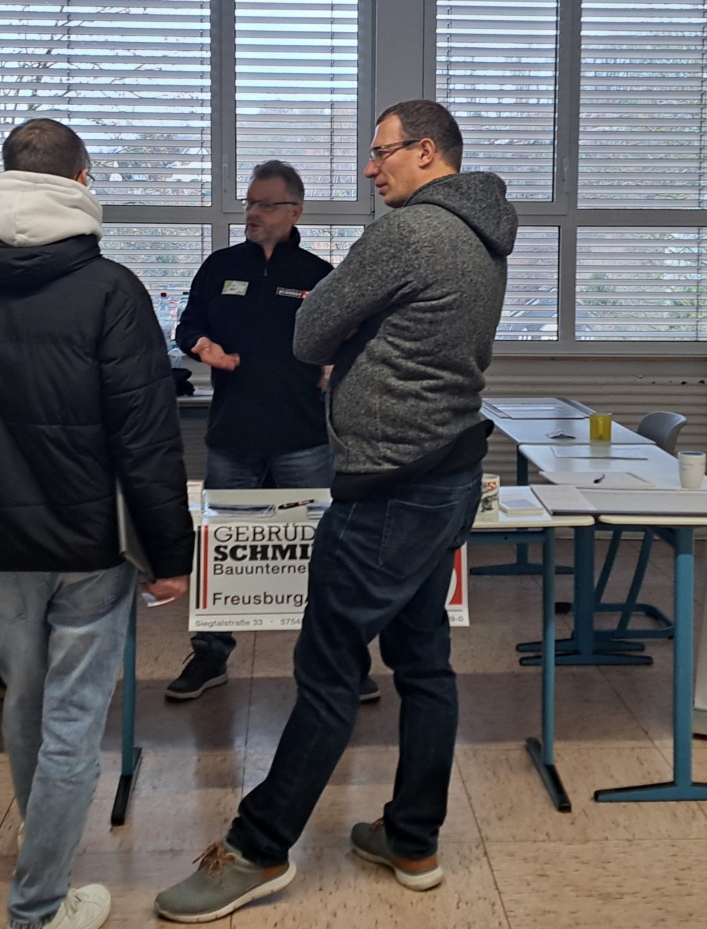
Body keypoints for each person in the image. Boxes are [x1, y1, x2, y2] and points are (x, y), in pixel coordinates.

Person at [154, 99, 517, 920]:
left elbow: (308, 331)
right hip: (446, 470)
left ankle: (257, 846)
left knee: (326, 670)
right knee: (423, 663)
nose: (369, 166)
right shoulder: (484, 234)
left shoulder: (411, 232)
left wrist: (350, 340)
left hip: (390, 487)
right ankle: (413, 836)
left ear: (426, 152)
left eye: (382, 151)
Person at [0, 117, 195, 929]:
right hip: (91, 545)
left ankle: (44, 858)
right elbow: (147, 436)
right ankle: (39, 903)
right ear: (81, 182)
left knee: (24, 702)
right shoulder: (112, 290)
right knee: (70, 718)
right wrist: (172, 553)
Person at [169, 160, 378, 706]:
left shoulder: (318, 273)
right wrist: (202, 348)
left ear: (295, 211)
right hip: (232, 437)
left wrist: (337, 362)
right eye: (249, 204)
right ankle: (211, 652)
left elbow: (354, 334)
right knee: (220, 552)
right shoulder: (220, 266)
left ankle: (339, 661)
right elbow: (188, 323)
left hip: (302, 437)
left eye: (265, 205)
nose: (253, 214)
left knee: (324, 555)